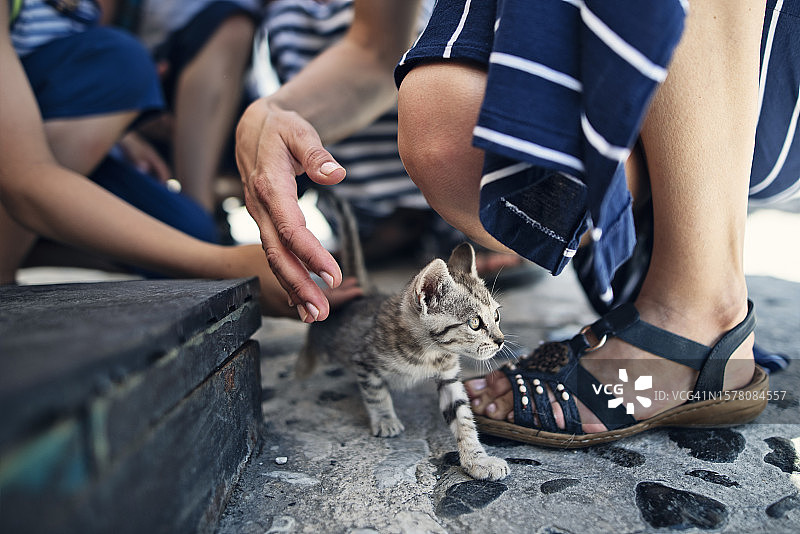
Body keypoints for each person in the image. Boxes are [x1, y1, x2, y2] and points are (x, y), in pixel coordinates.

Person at [236, 0, 798, 444]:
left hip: (754, 57)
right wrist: (270, 113)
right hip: (658, 89)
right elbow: (372, 47)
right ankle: (667, 195)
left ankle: (697, 310)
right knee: (460, 152)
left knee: (478, 147)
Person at [0, 0, 361, 318]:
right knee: (122, 61)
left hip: (49, 140)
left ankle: (38, 240)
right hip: (19, 163)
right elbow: (24, 174)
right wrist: (227, 265)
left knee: (191, 230)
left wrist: (123, 133)